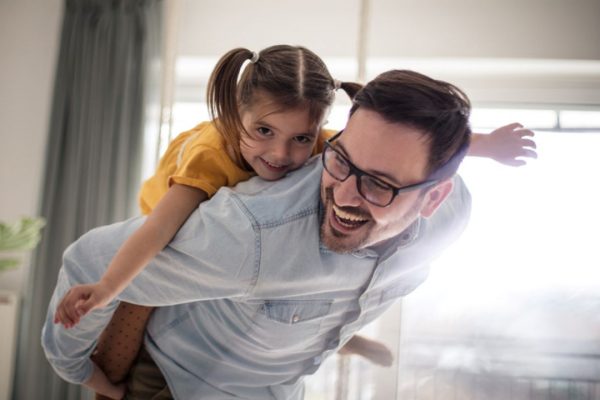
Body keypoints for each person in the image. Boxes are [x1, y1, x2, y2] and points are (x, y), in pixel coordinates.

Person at [51, 45, 536, 399]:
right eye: (343, 161)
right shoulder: (243, 223)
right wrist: (80, 356)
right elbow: (111, 251)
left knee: (306, 300)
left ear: (434, 197)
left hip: (277, 381)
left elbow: (423, 145)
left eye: (380, 183)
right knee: (123, 332)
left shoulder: (450, 214)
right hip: (177, 360)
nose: (343, 193)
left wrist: (487, 144)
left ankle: (330, 332)